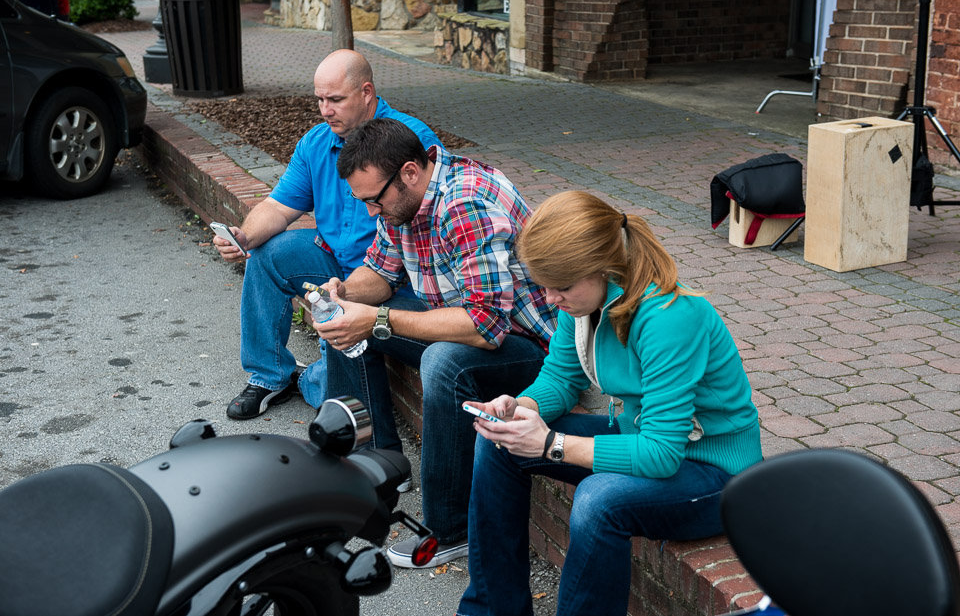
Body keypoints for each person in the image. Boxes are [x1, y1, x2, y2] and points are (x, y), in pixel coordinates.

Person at [456, 191, 763, 616]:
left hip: (716, 476)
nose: (549, 298)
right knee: (499, 443)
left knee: (599, 500)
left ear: (601, 268)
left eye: (560, 287)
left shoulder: (669, 316)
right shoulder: (584, 297)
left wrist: (550, 444)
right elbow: (562, 378)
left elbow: (661, 455)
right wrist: (520, 407)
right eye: (544, 285)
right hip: (641, 437)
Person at [313, 118, 557, 568]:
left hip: (533, 350)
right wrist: (343, 296)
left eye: (374, 201)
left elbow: (487, 324)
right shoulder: (401, 201)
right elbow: (381, 274)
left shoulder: (464, 204)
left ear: (409, 172)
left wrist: (379, 318)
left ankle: (451, 530)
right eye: (363, 201)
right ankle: (377, 470)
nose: (371, 213)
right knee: (346, 328)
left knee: (443, 362)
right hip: (473, 327)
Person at [212, 50, 440, 421]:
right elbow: (279, 206)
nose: (324, 109)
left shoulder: (409, 140)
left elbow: (431, 231)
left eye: (335, 100)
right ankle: (269, 375)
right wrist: (244, 237)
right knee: (268, 253)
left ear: (367, 93)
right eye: (319, 99)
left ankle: (313, 379)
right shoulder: (316, 142)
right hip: (335, 264)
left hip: (396, 280)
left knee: (331, 375)